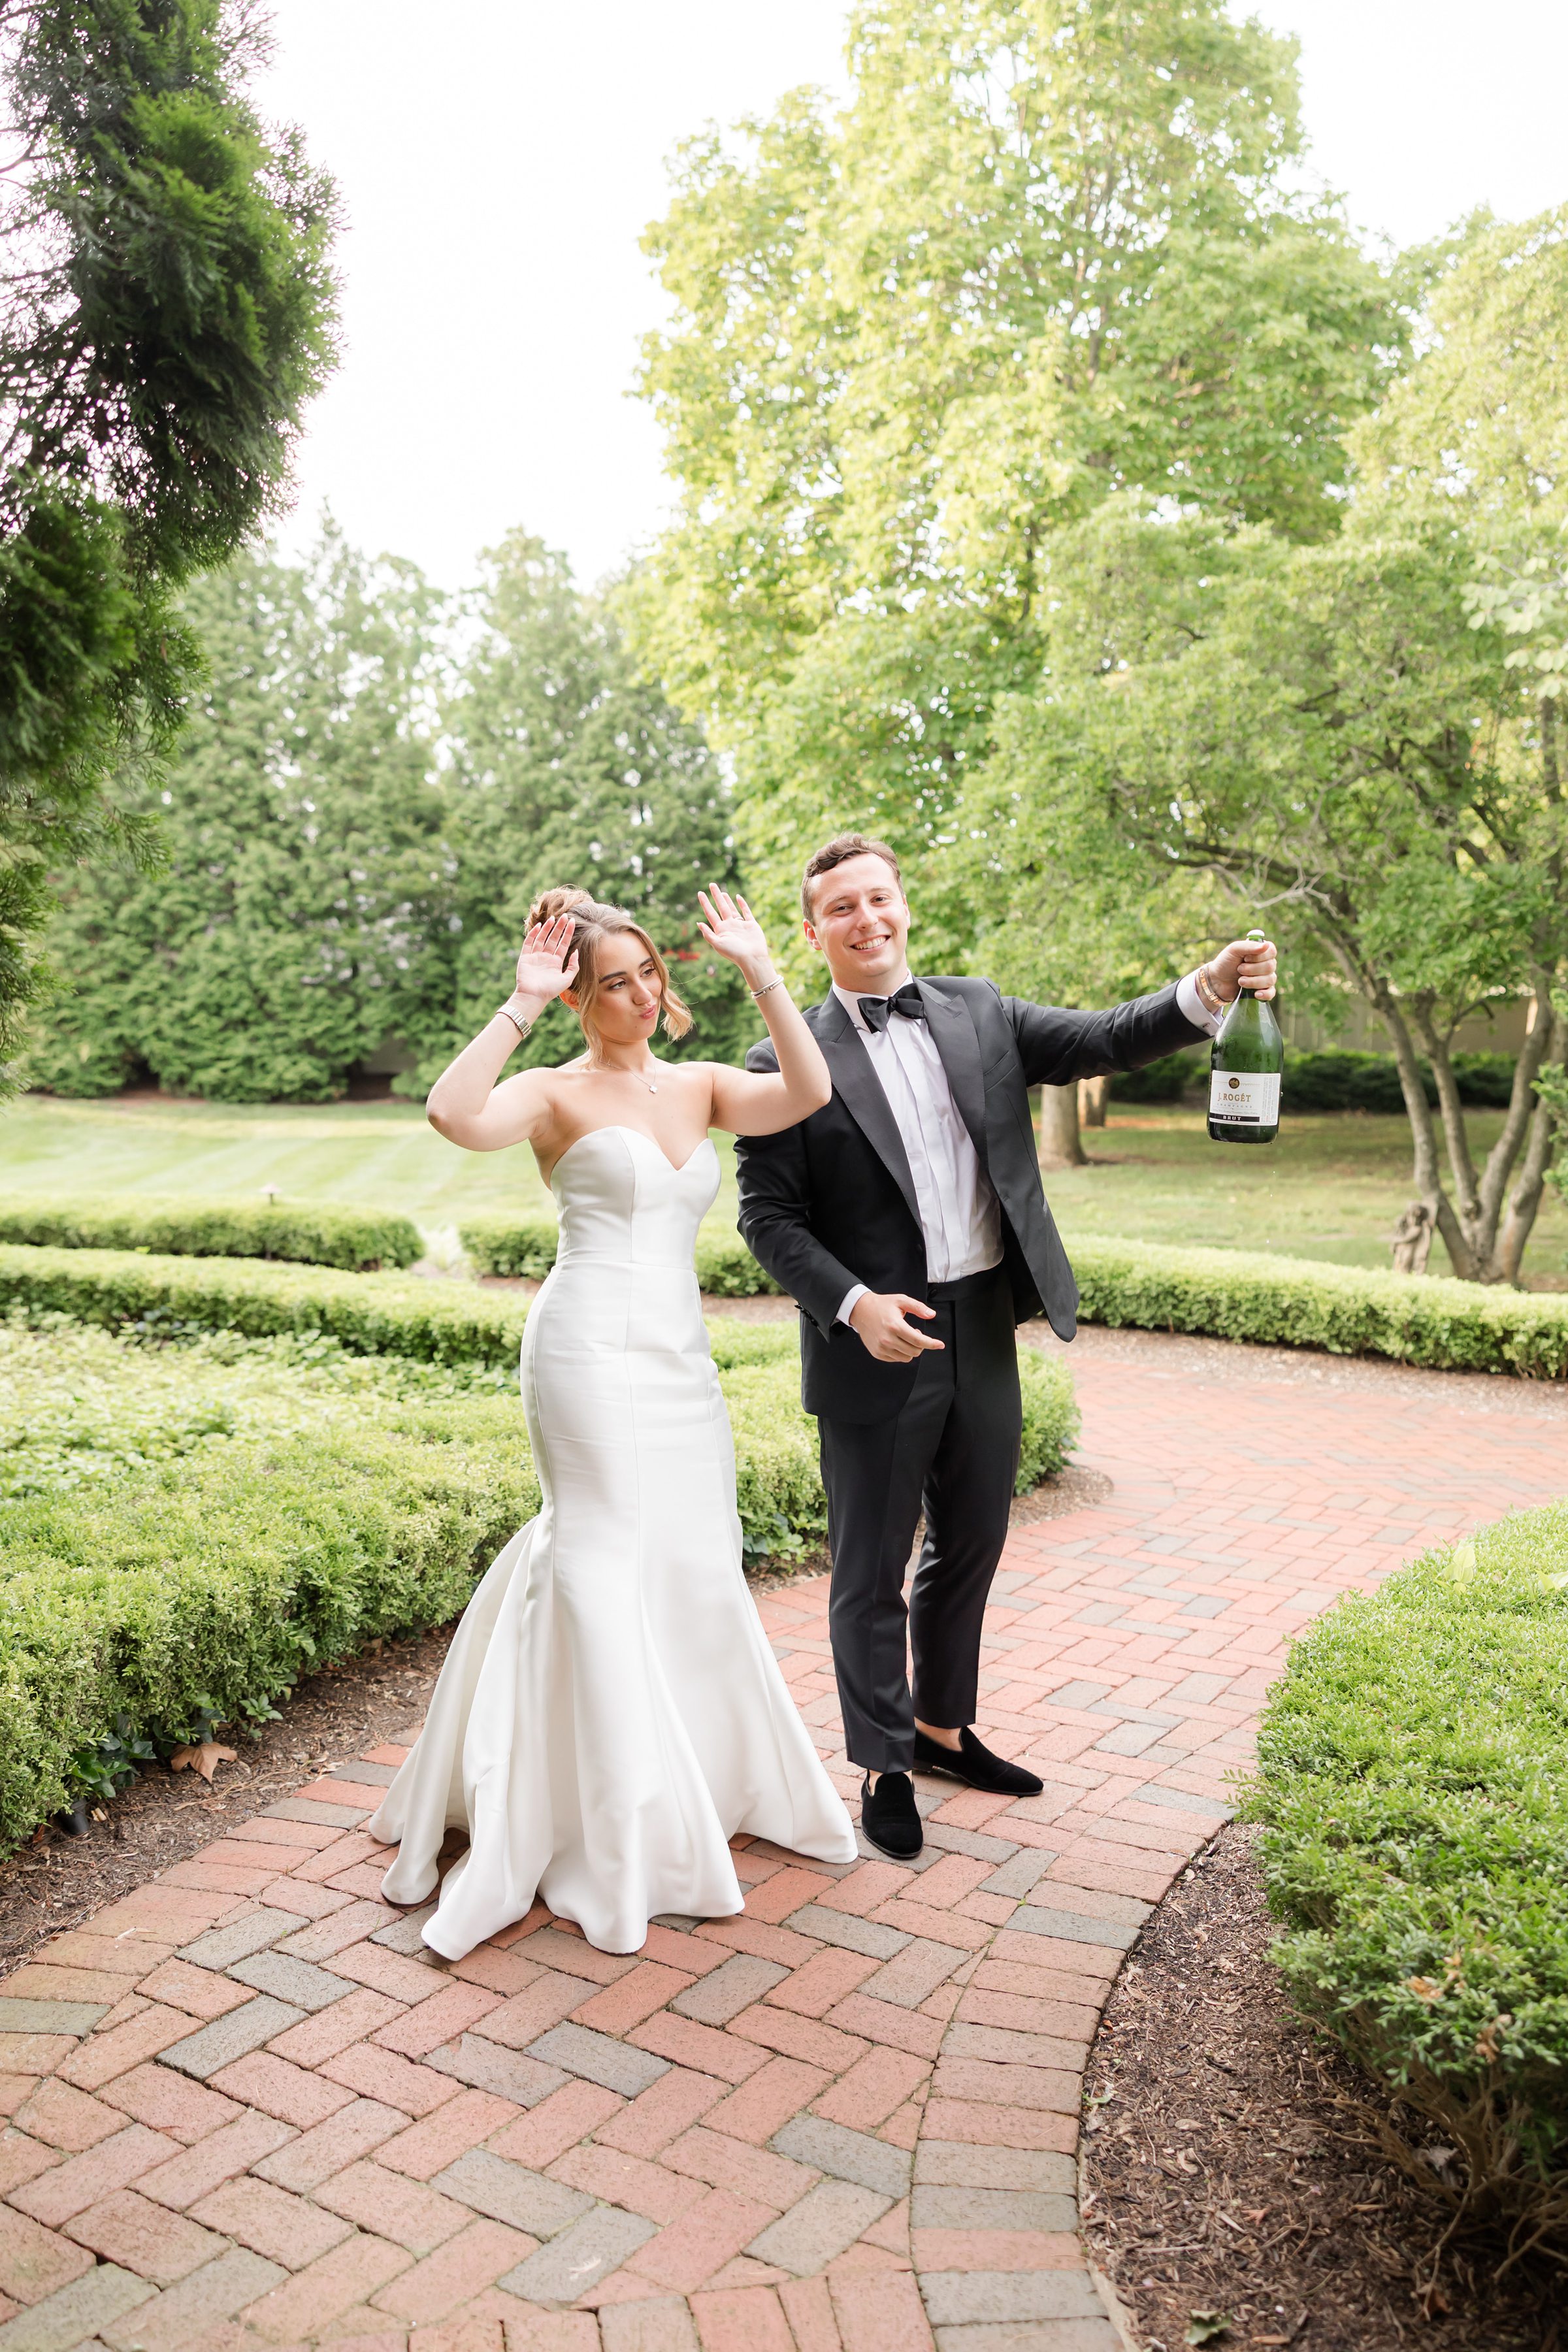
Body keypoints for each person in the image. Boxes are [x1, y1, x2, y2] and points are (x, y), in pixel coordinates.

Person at [734, 834, 1278, 1862]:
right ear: (813, 933)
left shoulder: (977, 1010)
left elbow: (1106, 1038)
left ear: (905, 907)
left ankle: (941, 1729)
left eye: (879, 898)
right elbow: (768, 1220)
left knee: (973, 1539)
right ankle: (883, 1764)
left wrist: (1207, 988)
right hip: (875, 1345)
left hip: (983, 1323)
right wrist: (852, 1306)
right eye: (840, 908)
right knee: (868, 1569)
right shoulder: (785, 1060)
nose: (867, 919)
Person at [368, 885, 857, 1957]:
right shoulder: (549, 1092)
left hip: (679, 1363)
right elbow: (454, 1115)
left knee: (691, 1556)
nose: (638, 995)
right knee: (594, 1554)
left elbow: (810, 1089)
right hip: (584, 1349)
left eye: (647, 975)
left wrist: (762, 969)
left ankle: (696, 1777)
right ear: (581, 997)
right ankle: (585, 1810)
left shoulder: (703, 1086)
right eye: (612, 983)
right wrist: (519, 1003)